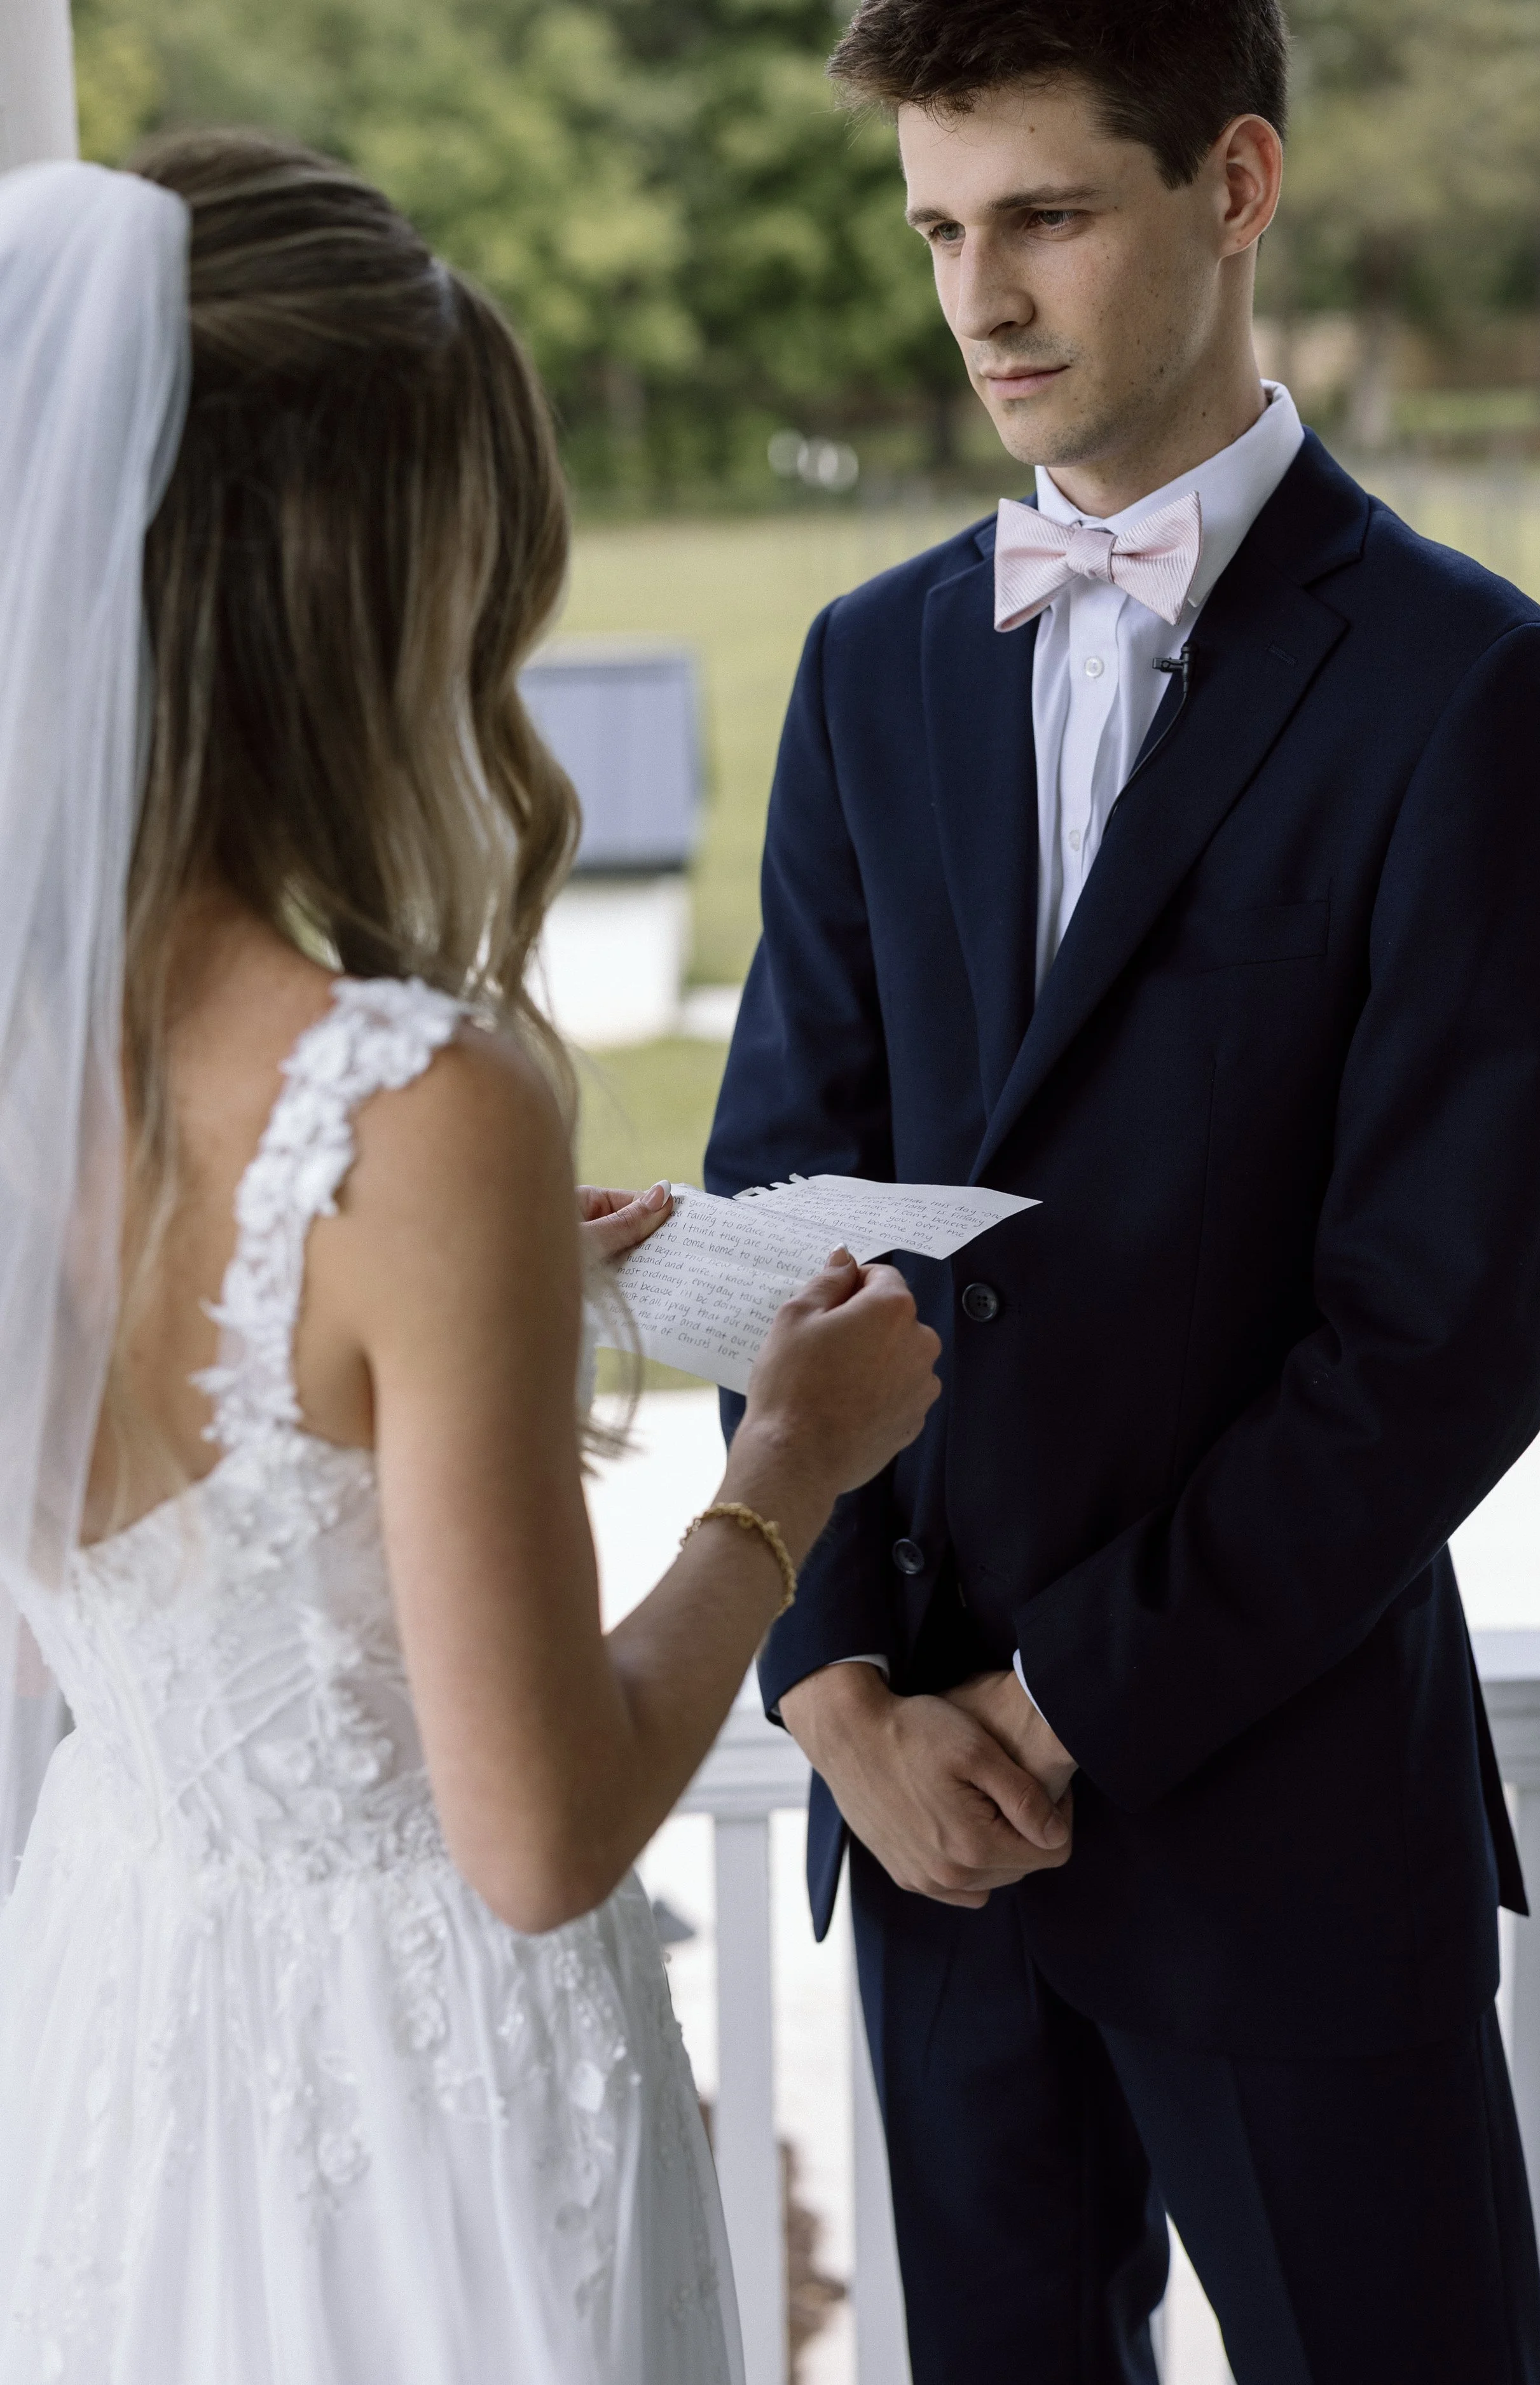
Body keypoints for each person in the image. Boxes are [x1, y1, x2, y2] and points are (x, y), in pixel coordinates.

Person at [0, 134, 944, 2385]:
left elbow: (204, 1485)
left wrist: (507, 1309)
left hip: (123, 2029)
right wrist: (792, 1466)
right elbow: (539, 1833)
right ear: (362, 592)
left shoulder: (40, 1069)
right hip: (421, 2108)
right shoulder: (418, 1104)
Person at [705, 4, 1540, 2379]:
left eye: (1044, 218)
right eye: (934, 231)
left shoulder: (1473, 693)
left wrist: (1057, 1699)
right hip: (921, 1848)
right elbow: (789, 1214)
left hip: (1284, 1829)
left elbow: (1438, 1338)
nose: (977, 296)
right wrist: (841, 1693)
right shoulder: (866, 668)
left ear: (1234, 187)